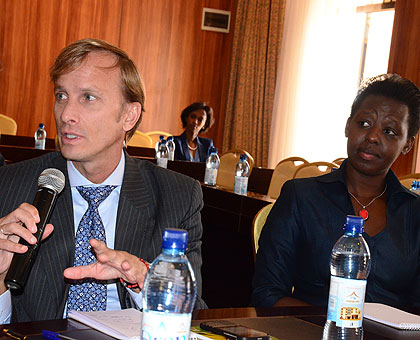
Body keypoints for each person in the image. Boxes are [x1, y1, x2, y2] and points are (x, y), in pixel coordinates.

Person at [0, 38, 206, 323]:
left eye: (88, 97)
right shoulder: (11, 185)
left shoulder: (178, 197)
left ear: (129, 115)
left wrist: (147, 282)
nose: (66, 115)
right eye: (61, 96)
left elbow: (195, 315)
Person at [252, 74, 420, 309]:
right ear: (347, 126)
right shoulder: (301, 197)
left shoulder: (415, 213)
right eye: (364, 123)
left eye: (389, 131)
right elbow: (267, 294)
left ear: (408, 145)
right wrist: (336, 323)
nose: (372, 136)